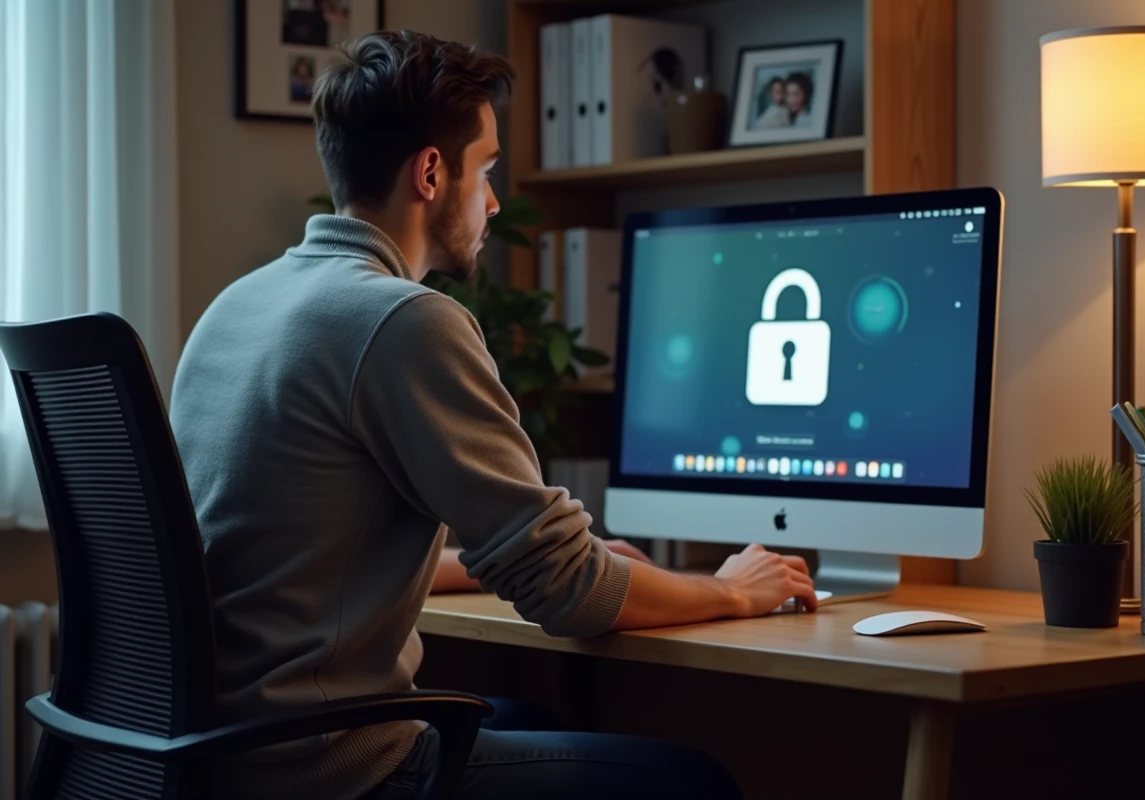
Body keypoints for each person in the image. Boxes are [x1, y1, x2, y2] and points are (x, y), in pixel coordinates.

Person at [170, 29, 819, 800]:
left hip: (220, 752)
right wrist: (734, 589)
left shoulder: (241, 304)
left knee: (530, 712)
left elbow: (287, 558)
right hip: (329, 767)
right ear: (432, 172)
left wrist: (532, 557)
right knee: (692, 781)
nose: (495, 200)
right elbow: (566, 593)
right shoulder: (401, 319)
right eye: (486, 169)